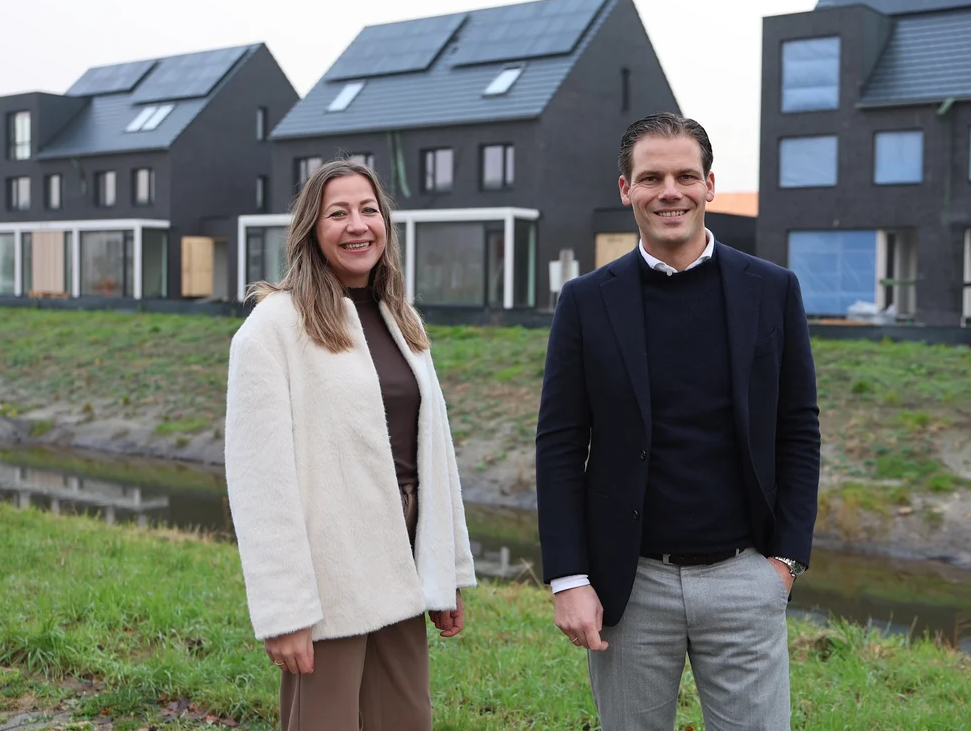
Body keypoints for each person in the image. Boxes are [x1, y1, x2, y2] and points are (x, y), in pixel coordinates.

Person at [535, 112, 821, 730]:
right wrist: (568, 577)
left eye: (686, 175)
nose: (671, 191)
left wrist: (785, 564)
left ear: (709, 186)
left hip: (746, 577)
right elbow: (559, 446)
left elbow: (799, 428)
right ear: (625, 190)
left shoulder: (772, 289)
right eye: (652, 177)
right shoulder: (586, 300)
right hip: (629, 585)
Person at [224, 158, 477, 731]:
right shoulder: (273, 328)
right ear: (312, 229)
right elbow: (260, 483)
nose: (357, 225)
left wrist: (446, 571)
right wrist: (284, 611)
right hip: (330, 577)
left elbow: (436, 454)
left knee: (405, 720)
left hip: (406, 561)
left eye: (369, 210)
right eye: (338, 213)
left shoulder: (401, 318)